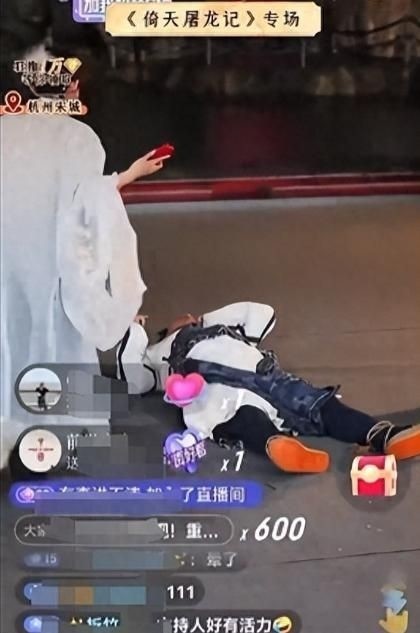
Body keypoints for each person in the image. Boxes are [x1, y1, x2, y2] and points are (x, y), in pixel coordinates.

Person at [0, 44, 170, 471]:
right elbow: (87, 205)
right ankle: (59, 440)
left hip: (7, 258)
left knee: (8, 333)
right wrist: (129, 177)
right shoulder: (78, 138)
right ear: (70, 87)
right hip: (51, 262)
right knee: (58, 338)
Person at [117, 302, 420, 473]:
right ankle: (279, 443)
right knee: (249, 410)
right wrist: (131, 326)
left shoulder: (230, 333)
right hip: (210, 380)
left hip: (260, 371)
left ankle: (383, 434)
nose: (189, 316)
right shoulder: (157, 354)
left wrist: (207, 319)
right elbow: (134, 379)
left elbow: (262, 313)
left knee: (313, 402)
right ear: (165, 331)